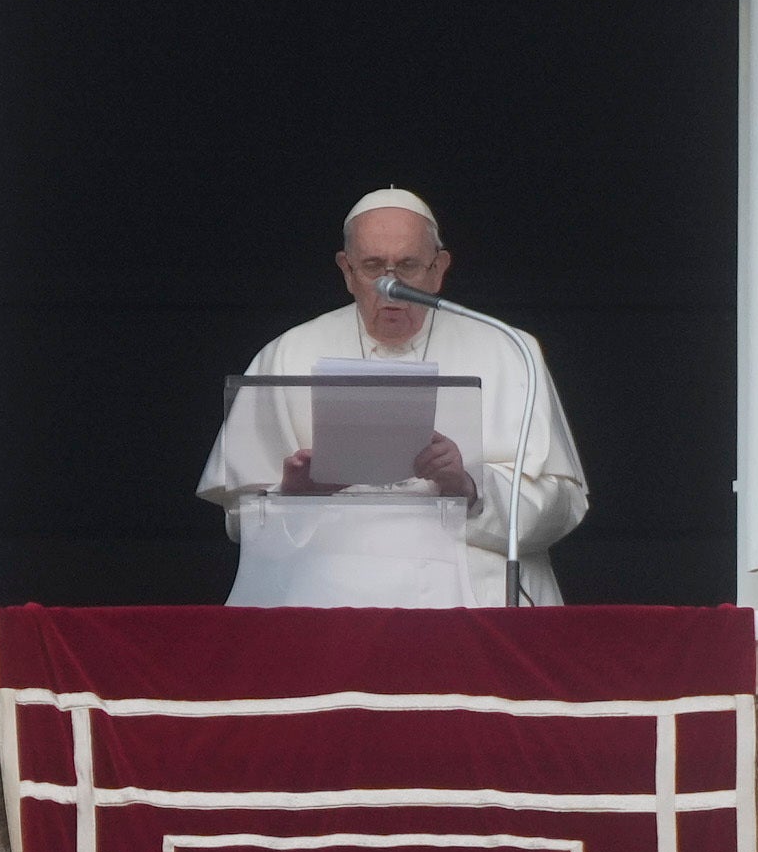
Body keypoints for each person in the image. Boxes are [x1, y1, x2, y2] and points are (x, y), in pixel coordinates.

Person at [199, 189, 587, 606]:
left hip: (468, 601)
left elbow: (562, 504)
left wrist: (469, 485)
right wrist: (293, 496)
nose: (390, 283)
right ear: (346, 271)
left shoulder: (509, 350)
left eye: (408, 265)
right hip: (326, 604)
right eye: (372, 267)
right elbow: (241, 518)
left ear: (439, 269)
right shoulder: (287, 353)